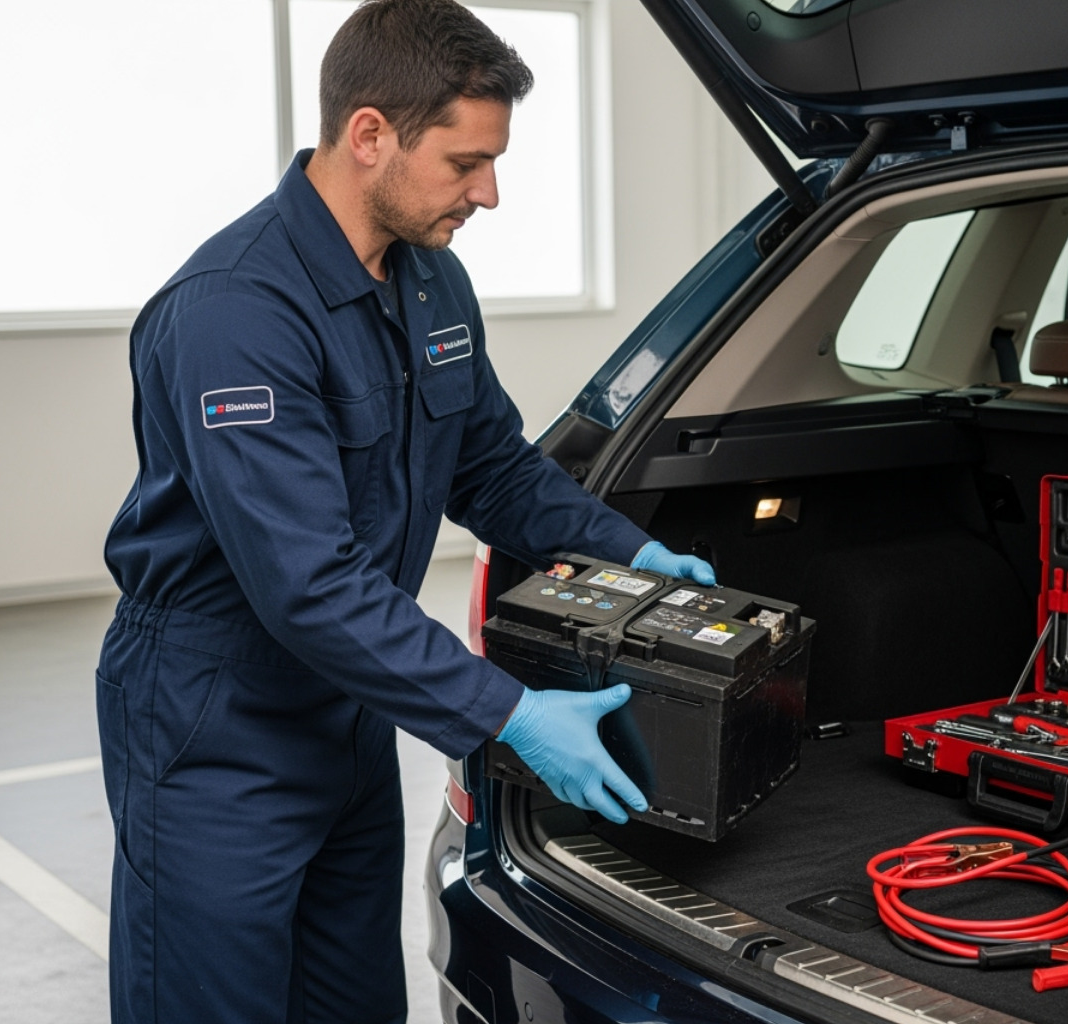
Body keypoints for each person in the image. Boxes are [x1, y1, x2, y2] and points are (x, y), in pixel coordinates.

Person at [95, 2, 714, 1021]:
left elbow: (493, 469)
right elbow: (306, 584)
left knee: (355, 1003)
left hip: (348, 707)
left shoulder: (432, 280)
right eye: (467, 161)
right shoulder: (234, 313)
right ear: (370, 133)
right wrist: (507, 714)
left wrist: (635, 551)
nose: (491, 192)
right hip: (215, 720)